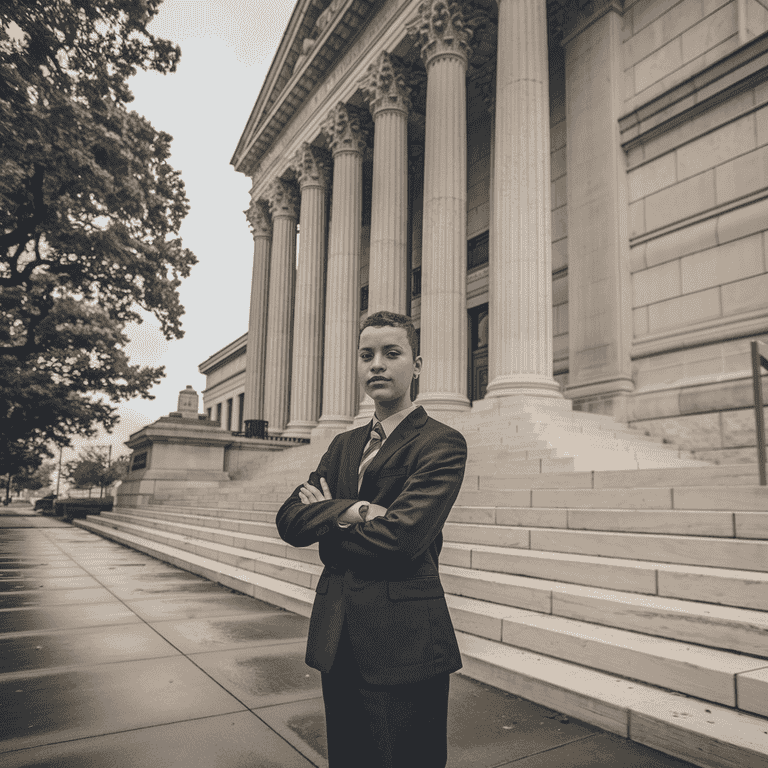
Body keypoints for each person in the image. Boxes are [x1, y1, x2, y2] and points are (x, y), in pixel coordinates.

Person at [276, 310, 468, 768]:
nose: (376, 364)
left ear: (416, 365)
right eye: (367, 355)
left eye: (391, 353)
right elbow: (288, 521)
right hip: (337, 636)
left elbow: (401, 539)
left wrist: (327, 519)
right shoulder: (343, 445)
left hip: (404, 643)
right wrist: (355, 510)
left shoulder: (441, 444)